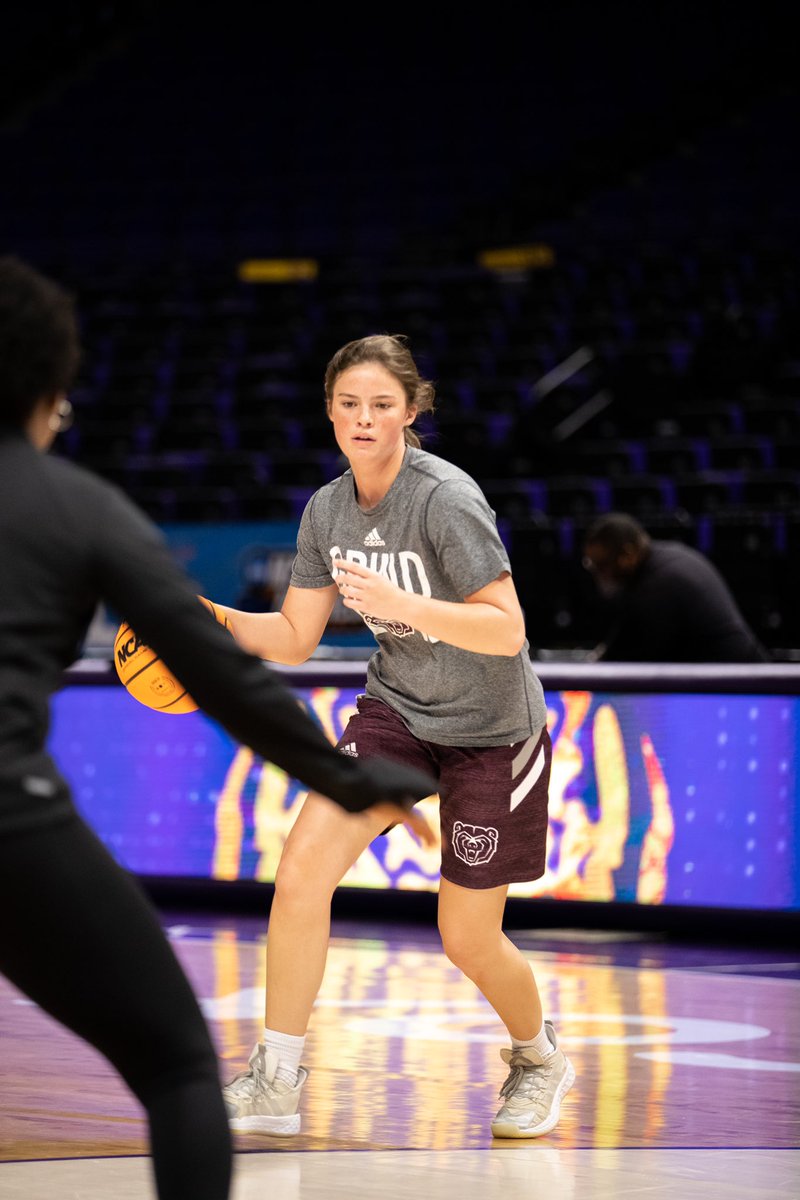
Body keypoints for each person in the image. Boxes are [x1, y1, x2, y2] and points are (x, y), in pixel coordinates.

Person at [0, 257, 438, 1200]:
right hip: (11, 827)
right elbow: (226, 681)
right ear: (46, 389)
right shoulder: (77, 508)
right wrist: (353, 778)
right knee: (178, 1071)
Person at [217, 333, 575, 1140]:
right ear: (331, 413)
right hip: (400, 713)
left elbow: (507, 630)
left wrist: (405, 605)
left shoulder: (445, 498)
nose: (364, 419)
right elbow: (294, 638)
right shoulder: (327, 508)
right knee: (302, 869)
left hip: (493, 730)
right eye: (349, 405)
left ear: (412, 411)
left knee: (466, 938)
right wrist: (205, 620)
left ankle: (539, 1057)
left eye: (382, 405)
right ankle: (277, 1075)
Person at [581, 512, 771, 662]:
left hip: (744, 690)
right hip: (735, 682)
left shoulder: (657, 587)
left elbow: (622, 662)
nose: (599, 575)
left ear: (628, 554)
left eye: (602, 565)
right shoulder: (667, 557)